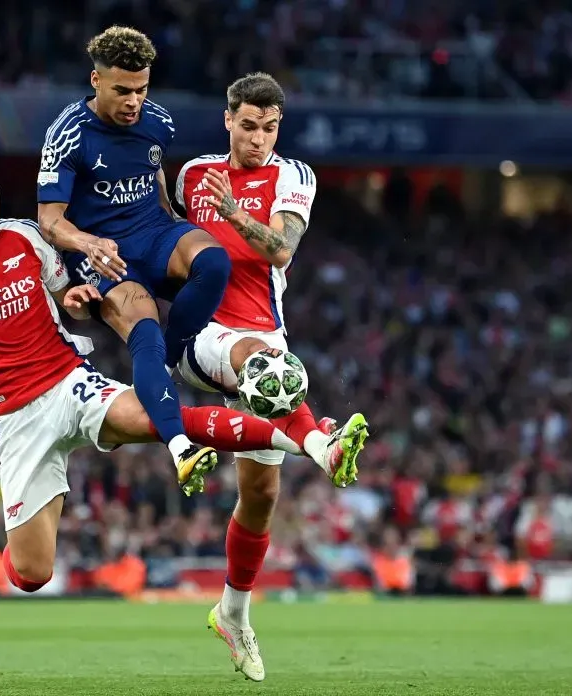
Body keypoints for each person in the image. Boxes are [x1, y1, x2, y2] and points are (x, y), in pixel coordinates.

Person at [0, 152, 307, 594]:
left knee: (160, 420)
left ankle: (300, 439)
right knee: (32, 574)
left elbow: (71, 299)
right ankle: (27, 524)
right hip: (15, 417)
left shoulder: (25, 237)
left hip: (70, 381)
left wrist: (76, 300)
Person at [173, 73, 370, 682]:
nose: (259, 138)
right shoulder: (189, 176)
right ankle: (320, 444)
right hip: (201, 335)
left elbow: (281, 250)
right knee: (263, 366)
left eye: (270, 127)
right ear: (227, 119)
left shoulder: (293, 178)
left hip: (267, 342)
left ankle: (233, 614)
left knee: (259, 497)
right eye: (249, 125)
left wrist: (234, 213)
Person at [36, 25, 231, 490]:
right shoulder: (67, 135)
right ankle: (180, 447)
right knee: (144, 332)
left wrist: (174, 221)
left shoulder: (158, 120)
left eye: (141, 89)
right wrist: (87, 244)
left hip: (154, 232)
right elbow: (49, 220)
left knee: (215, 261)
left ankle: (176, 358)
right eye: (122, 90)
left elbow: (154, 170)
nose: (132, 101)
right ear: (96, 80)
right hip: (105, 257)